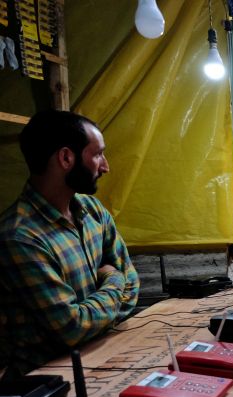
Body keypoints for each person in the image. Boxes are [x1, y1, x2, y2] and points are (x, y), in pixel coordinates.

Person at [0, 110, 139, 381]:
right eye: (97, 154)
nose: (105, 166)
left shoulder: (93, 211)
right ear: (66, 158)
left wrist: (96, 315)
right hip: (49, 384)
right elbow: (73, 327)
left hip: (104, 360)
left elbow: (132, 283)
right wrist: (113, 280)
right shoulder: (20, 237)